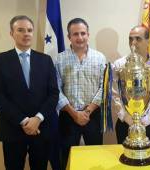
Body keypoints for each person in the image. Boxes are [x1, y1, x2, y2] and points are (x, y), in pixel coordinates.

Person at [0, 15, 59, 170]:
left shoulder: (45, 60)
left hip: (41, 128)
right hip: (13, 129)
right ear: (11, 33)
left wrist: (38, 118)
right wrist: (23, 121)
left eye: (29, 30)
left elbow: (54, 93)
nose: (26, 34)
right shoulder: (0, 60)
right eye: (20, 30)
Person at [55, 18, 106, 170]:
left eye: (83, 33)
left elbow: (104, 88)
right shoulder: (59, 59)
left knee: (95, 157)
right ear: (69, 37)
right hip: (68, 116)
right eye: (75, 34)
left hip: (93, 115)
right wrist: (74, 113)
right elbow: (56, 90)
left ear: (88, 34)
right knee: (67, 158)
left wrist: (88, 111)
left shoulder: (100, 58)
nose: (80, 37)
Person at [112, 26, 150, 144]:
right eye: (130, 39)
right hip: (126, 123)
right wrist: (129, 119)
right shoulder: (119, 65)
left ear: (148, 41)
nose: (133, 43)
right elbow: (115, 94)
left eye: (138, 39)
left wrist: (147, 119)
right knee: (126, 159)